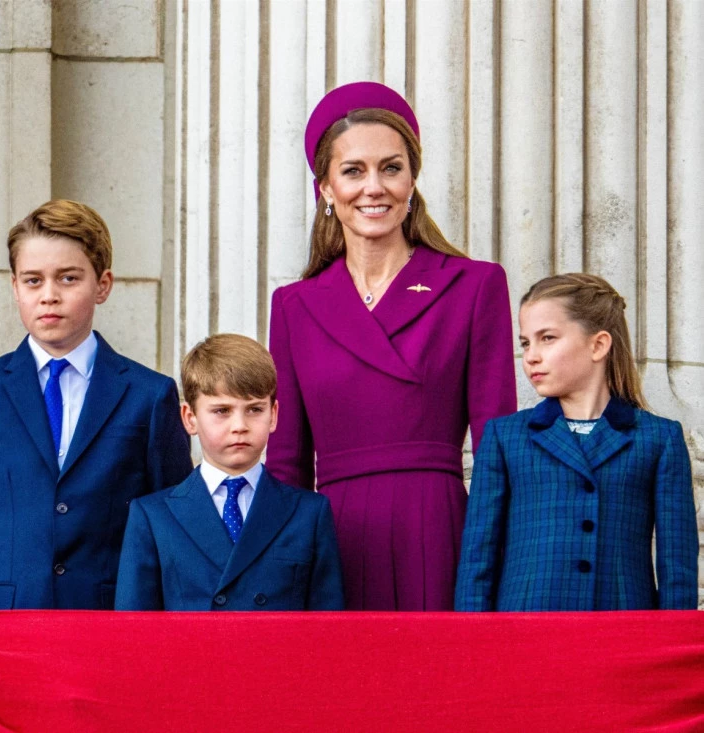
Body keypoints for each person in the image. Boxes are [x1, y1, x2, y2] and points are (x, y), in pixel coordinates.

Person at [266, 81, 517, 611]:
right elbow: (287, 464)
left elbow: (497, 451)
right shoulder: (294, 305)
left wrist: (491, 567)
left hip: (440, 533)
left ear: (412, 179)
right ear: (326, 188)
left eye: (391, 168)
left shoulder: (474, 286)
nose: (374, 188)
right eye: (353, 171)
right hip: (332, 542)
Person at [0, 199, 193, 611]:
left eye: (68, 278)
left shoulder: (150, 395)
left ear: (102, 285)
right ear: (15, 287)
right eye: (33, 281)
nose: (49, 296)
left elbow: (170, 525)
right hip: (0, 620)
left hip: (107, 620)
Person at [455, 274, 698, 610]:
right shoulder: (505, 436)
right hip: (525, 627)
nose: (531, 356)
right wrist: (474, 635)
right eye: (526, 343)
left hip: (622, 628)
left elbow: (678, 569)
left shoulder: (658, 438)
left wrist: (672, 638)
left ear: (598, 345)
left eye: (547, 338)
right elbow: (477, 559)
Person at [115, 334, 344, 611]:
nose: (239, 426)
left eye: (254, 409)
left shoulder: (309, 514)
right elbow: (134, 627)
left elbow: (327, 624)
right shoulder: (153, 516)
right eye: (222, 410)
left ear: (273, 415)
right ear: (190, 417)